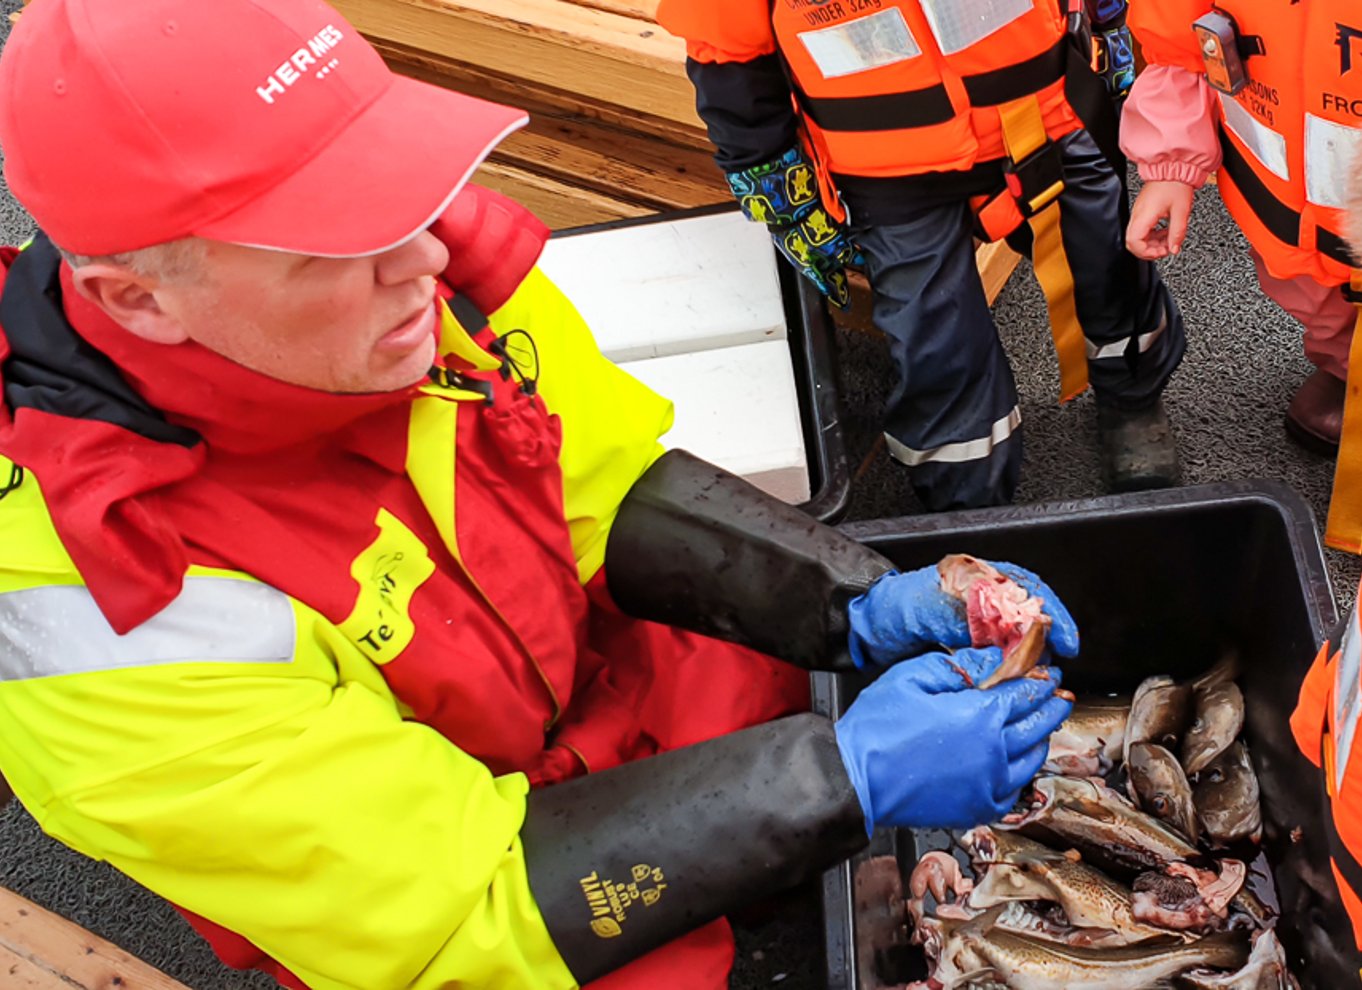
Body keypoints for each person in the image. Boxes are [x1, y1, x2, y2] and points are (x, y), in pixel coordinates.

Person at [0, 1, 1078, 988]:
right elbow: (453, 902)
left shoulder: (420, 276)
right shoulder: (99, 623)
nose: (427, 251)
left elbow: (598, 478)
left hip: (584, 677)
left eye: (400, 184)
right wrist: (837, 779)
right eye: (337, 238)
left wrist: (852, 600)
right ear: (136, 299)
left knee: (778, 698)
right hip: (466, 885)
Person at [654, 0, 1186, 512]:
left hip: (1045, 110)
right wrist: (770, 175)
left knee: (1107, 259)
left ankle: (1132, 396)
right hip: (884, 166)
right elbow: (726, 49)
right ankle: (968, 501)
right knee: (936, 340)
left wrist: (1113, 29)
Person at [1122, 1, 1362, 552]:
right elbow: (1176, 40)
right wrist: (1171, 164)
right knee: (1313, 303)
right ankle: (1343, 367)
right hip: (1284, 204)